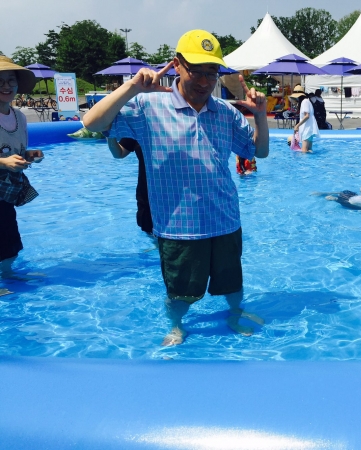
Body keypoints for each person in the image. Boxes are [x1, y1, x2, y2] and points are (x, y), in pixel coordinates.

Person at [83, 30, 269, 346]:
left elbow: (258, 152)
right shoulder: (148, 106)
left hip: (225, 220)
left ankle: (235, 313)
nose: (205, 80)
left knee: (232, 283)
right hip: (179, 227)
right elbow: (92, 123)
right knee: (180, 291)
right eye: (196, 70)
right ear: (177, 65)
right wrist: (131, 87)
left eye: (212, 72)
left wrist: (260, 115)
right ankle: (177, 326)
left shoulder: (225, 113)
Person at [0, 57, 44, 277]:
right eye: (0, 81)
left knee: (10, 244)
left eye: (11, 80)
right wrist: (3, 162)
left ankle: (7, 277)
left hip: (6, 191)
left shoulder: (19, 117)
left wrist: (29, 155)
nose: (6, 86)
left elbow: (16, 150)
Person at [106, 138, 153, 234]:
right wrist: (109, 135)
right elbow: (119, 153)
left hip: (181, 196)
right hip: (147, 194)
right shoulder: (138, 128)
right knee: (149, 233)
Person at [292, 87, 319, 153]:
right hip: (310, 128)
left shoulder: (304, 102)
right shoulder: (307, 101)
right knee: (309, 150)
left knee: (304, 150)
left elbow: (307, 116)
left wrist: (297, 125)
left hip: (307, 129)